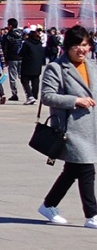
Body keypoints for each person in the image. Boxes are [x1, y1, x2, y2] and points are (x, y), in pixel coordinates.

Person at [38, 25, 97, 227]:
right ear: (67, 47)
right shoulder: (56, 68)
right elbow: (47, 96)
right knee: (87, 169)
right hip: (71, 129)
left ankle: (49, 205)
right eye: (76, 46)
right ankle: (92, 215)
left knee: (73, 171)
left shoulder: (93, 66)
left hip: (92, 127)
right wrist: (75, 100)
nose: (81, 50)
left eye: (84, 45)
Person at [21, 30, 48, 106]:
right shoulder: (39, 44)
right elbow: (43, 54)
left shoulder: (26, 43)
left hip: (27, 65)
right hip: (37, 65)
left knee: (24, 80)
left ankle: (30, 96)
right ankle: (34, 96)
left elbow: (21, 53)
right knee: (35, 81)